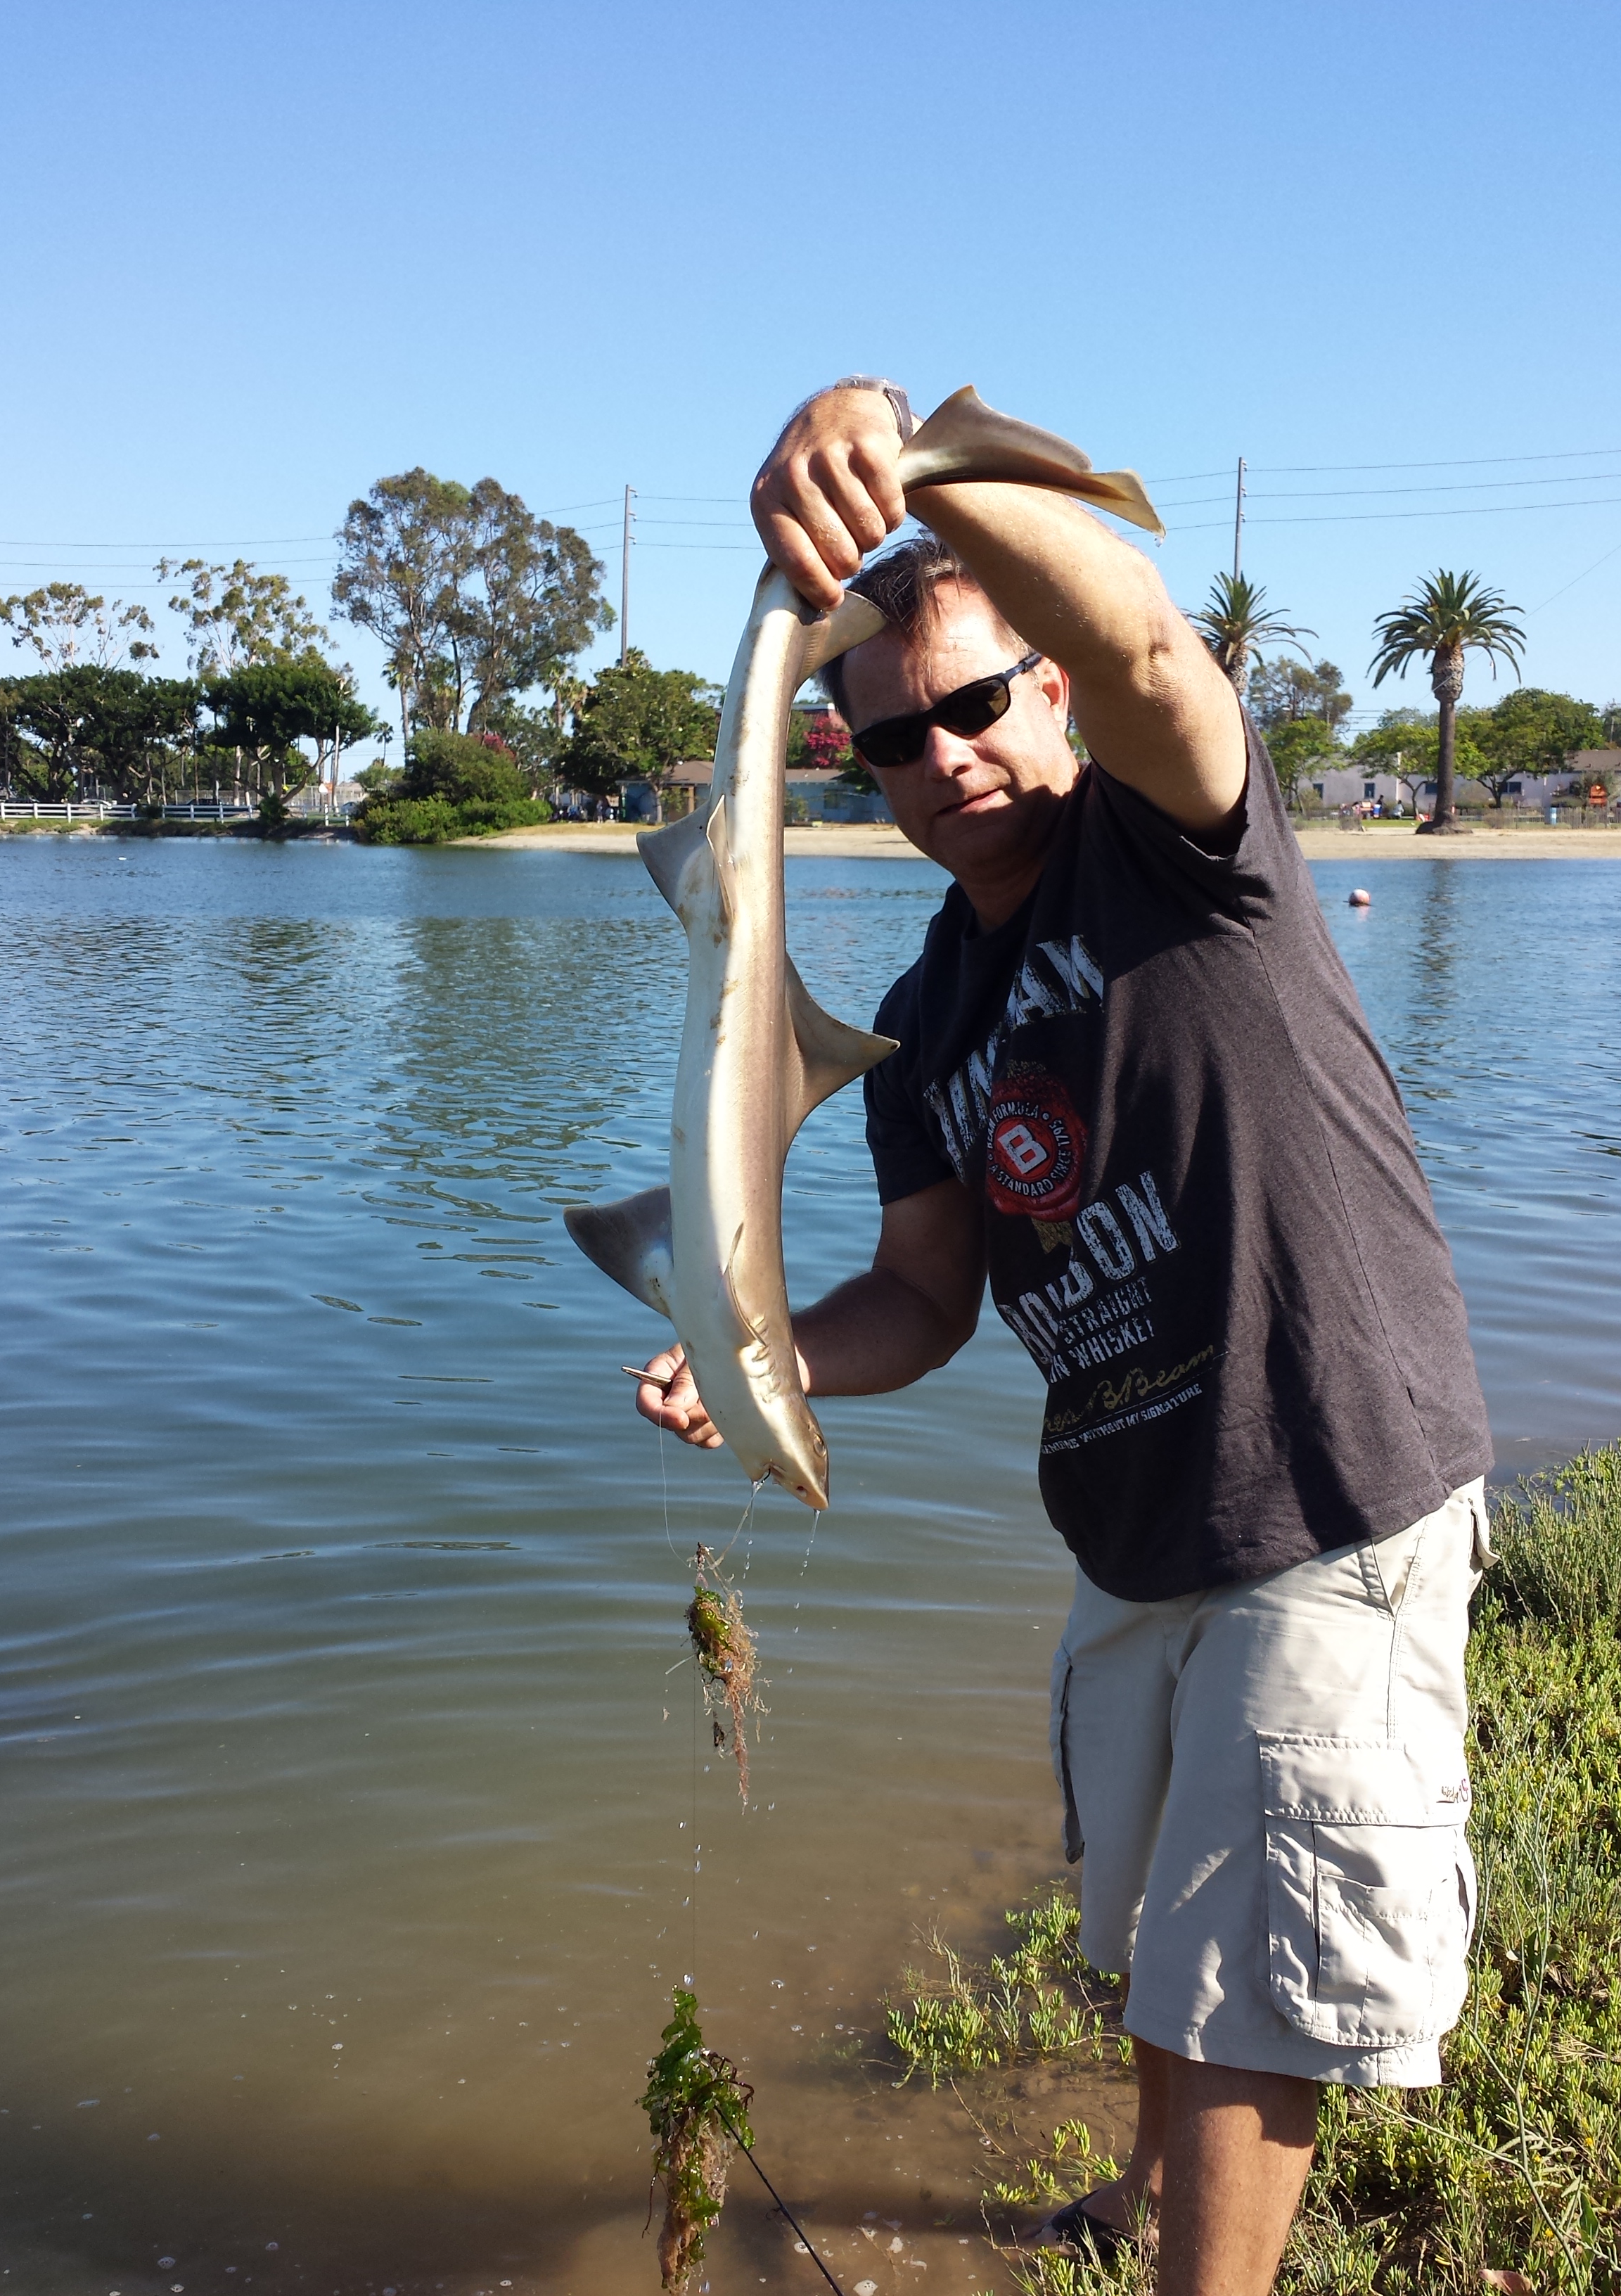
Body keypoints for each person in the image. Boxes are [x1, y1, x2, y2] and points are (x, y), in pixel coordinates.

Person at [636, 381, 1494, 2296]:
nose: (941, 759)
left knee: (1251, 1972)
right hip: (1131, 1523)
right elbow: (926, 1303)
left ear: (1043, 691)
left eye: (974, 704)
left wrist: (905, 448)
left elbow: (1151, 645)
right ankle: (1132, 2191)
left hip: (1324, 1484)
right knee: (1154, 1905)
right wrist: (761, 1357)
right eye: (887, 748)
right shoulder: (925, 1025)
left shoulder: (1182, 848)